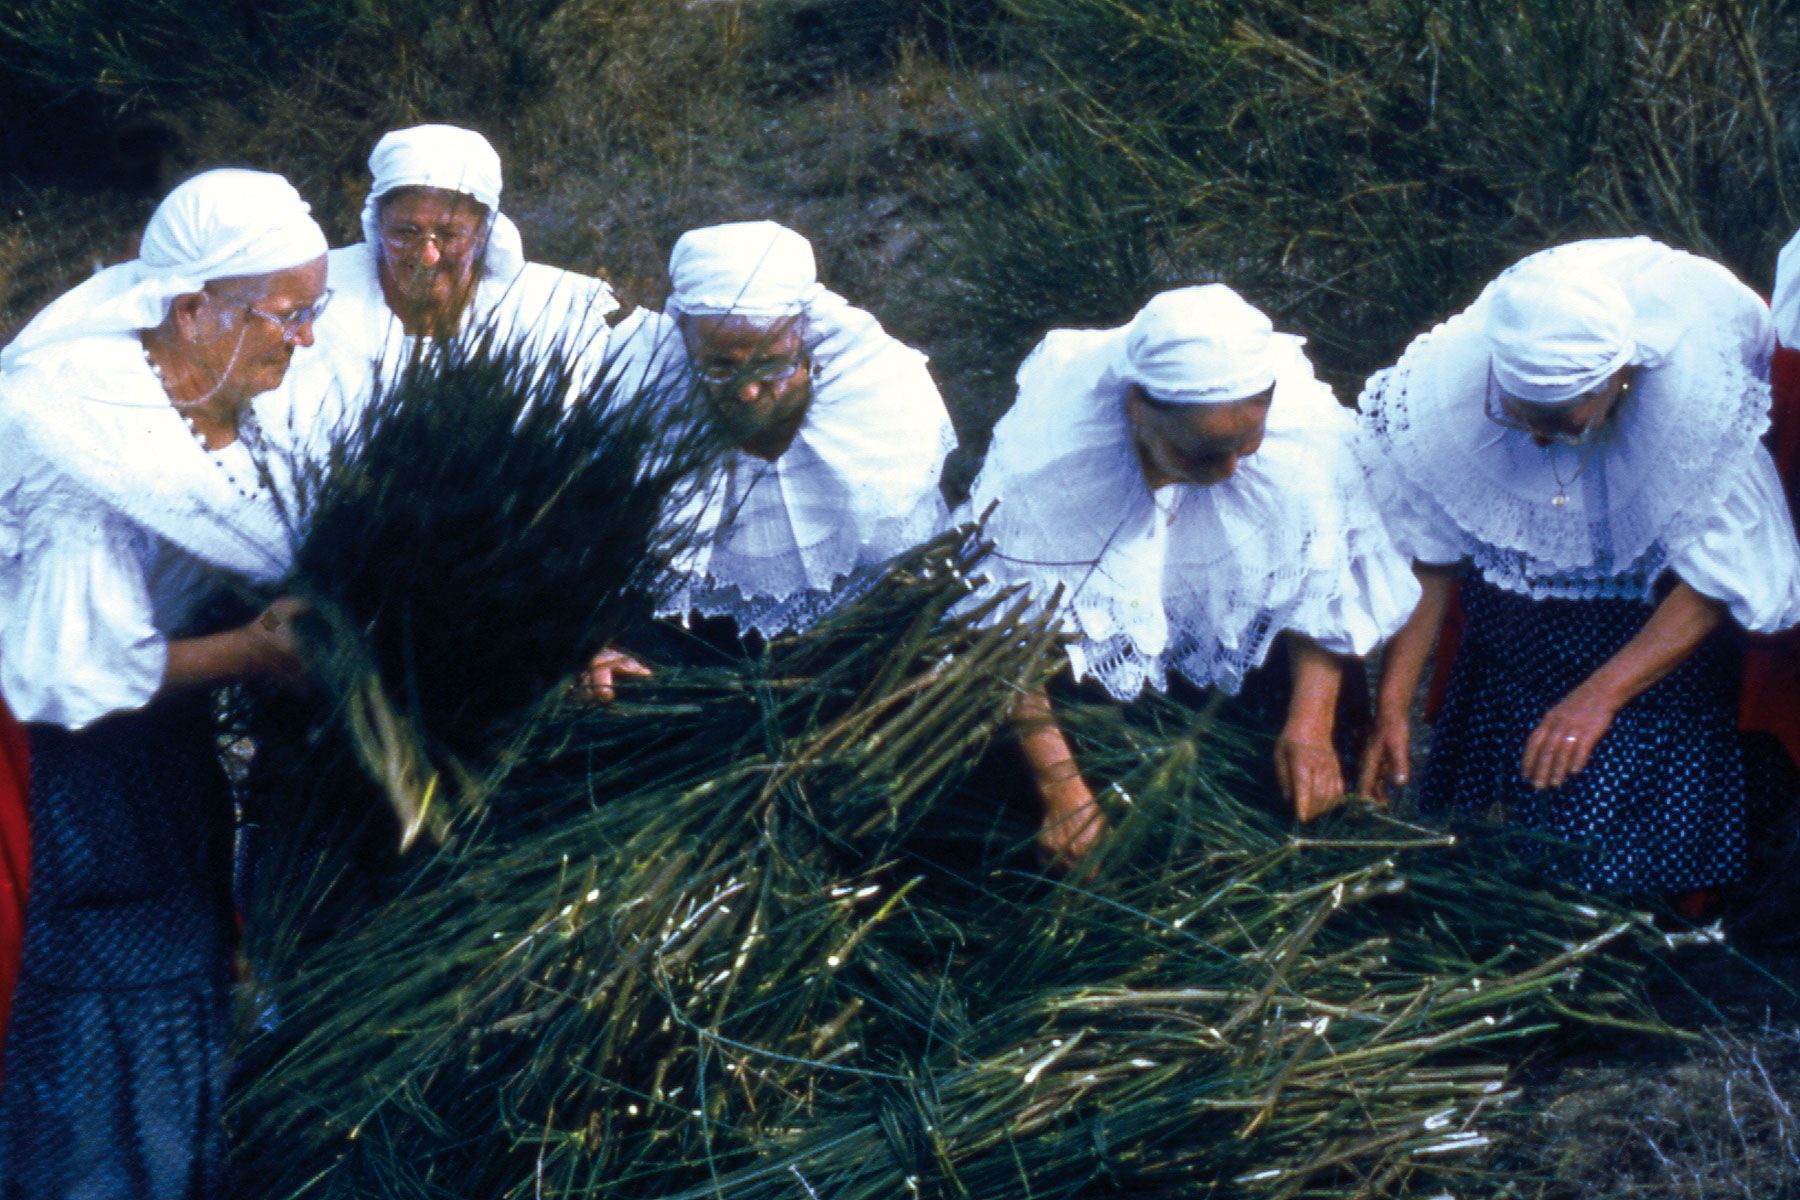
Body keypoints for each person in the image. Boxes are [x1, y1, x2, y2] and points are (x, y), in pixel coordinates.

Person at [0, 168, 322, 1197]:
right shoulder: (78, 440)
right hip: (71, 784)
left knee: (178, 990)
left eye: (313, 310)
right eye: (288, 313)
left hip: (160, 764)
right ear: (193, 309)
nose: (304, 336)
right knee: (101, 1018)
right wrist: (251, 653)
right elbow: (67, 675)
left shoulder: (216, 404)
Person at [1357, 236, 1800, 895]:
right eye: (1518, 416)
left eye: (1563, 422)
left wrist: (1599, 697)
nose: (1537, 439)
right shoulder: (1456, 393)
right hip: (1506, 660)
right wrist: (1390, 705)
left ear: (1620, 378)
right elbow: (1432, 553)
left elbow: (1719, 580)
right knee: (1478, 876)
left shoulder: (1690, 411)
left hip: (1637, 675)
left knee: (1595, 882)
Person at [964, 286, 1420, 865]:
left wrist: (1311, 723)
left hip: (1262, 665)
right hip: (1100, 696)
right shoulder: (1055, 461)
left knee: (1285, 834)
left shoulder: (1303, 438)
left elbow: (1323, 586)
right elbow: (1008, 637)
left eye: (1246, 444)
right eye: (1201, 454)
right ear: (1135, 407)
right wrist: (1062, 789)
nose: (1231, 469)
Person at [587, 220, 956, 696]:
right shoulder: (640, 389)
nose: (747, 391)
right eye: (721, 366)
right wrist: (594, 644)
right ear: (684, 336)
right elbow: (597, 546)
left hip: (861, 649)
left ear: (804, 334)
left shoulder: (876, 398)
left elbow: (909, 560)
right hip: (695, 648)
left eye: (771, 364)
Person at [260, 123, 619, 459]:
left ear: (483, 232)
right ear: (378, 222)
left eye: (448, 235)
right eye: (406, 233)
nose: (427, 257)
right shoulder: (313, 298)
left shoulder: (553, 311)